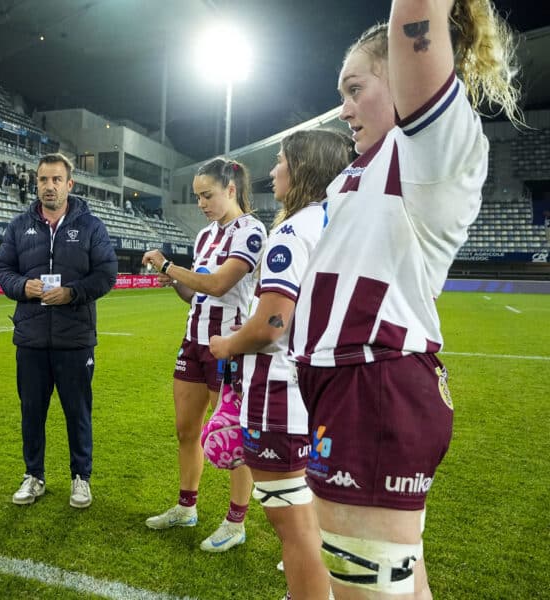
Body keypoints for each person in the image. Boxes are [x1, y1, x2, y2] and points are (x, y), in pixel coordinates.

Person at [288, 2, 522, 597]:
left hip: (373, 380)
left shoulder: (427, 151)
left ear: (404, 71)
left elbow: (412, 16)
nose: (343, 110)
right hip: (352, 383)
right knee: (395, 580)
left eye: (355, 89)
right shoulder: (362, 171)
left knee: (364, 585)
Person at [208, 130, 353, 599]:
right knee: (309, 513)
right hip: (319, 389)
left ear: (303, 168)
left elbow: (272, 323)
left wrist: (228, 345)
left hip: (279, 394)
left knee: (292, 526)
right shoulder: (339, 222)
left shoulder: (293, 230)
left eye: (280, 161)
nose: (272, 171)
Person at [141, 157, 265, 553]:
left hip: (228, 346)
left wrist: (169, 265)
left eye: (207, 195)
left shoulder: (251, 231)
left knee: (231, 436)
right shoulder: (205, 235)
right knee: (186, 429)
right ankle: (186, 507)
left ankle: (236, 522)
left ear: (231, 189)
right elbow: (197, 294)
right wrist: (174, 281)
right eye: (197, 197)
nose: (201, 204)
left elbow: (218, 285)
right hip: (193, 341)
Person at [0, 153, 117, 509]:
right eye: (43, 180)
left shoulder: (91, 226)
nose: (49, 186)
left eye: (56, 180)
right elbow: (2, 268)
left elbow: (106, 273)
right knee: (31, 412)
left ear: (69, 184)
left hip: (75, 338)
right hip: (31, 338)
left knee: (78, 412)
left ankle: (81, 478)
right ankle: (33, 475)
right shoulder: (19, 225)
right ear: (36, 183)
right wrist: (23, 286)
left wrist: (72, 293)